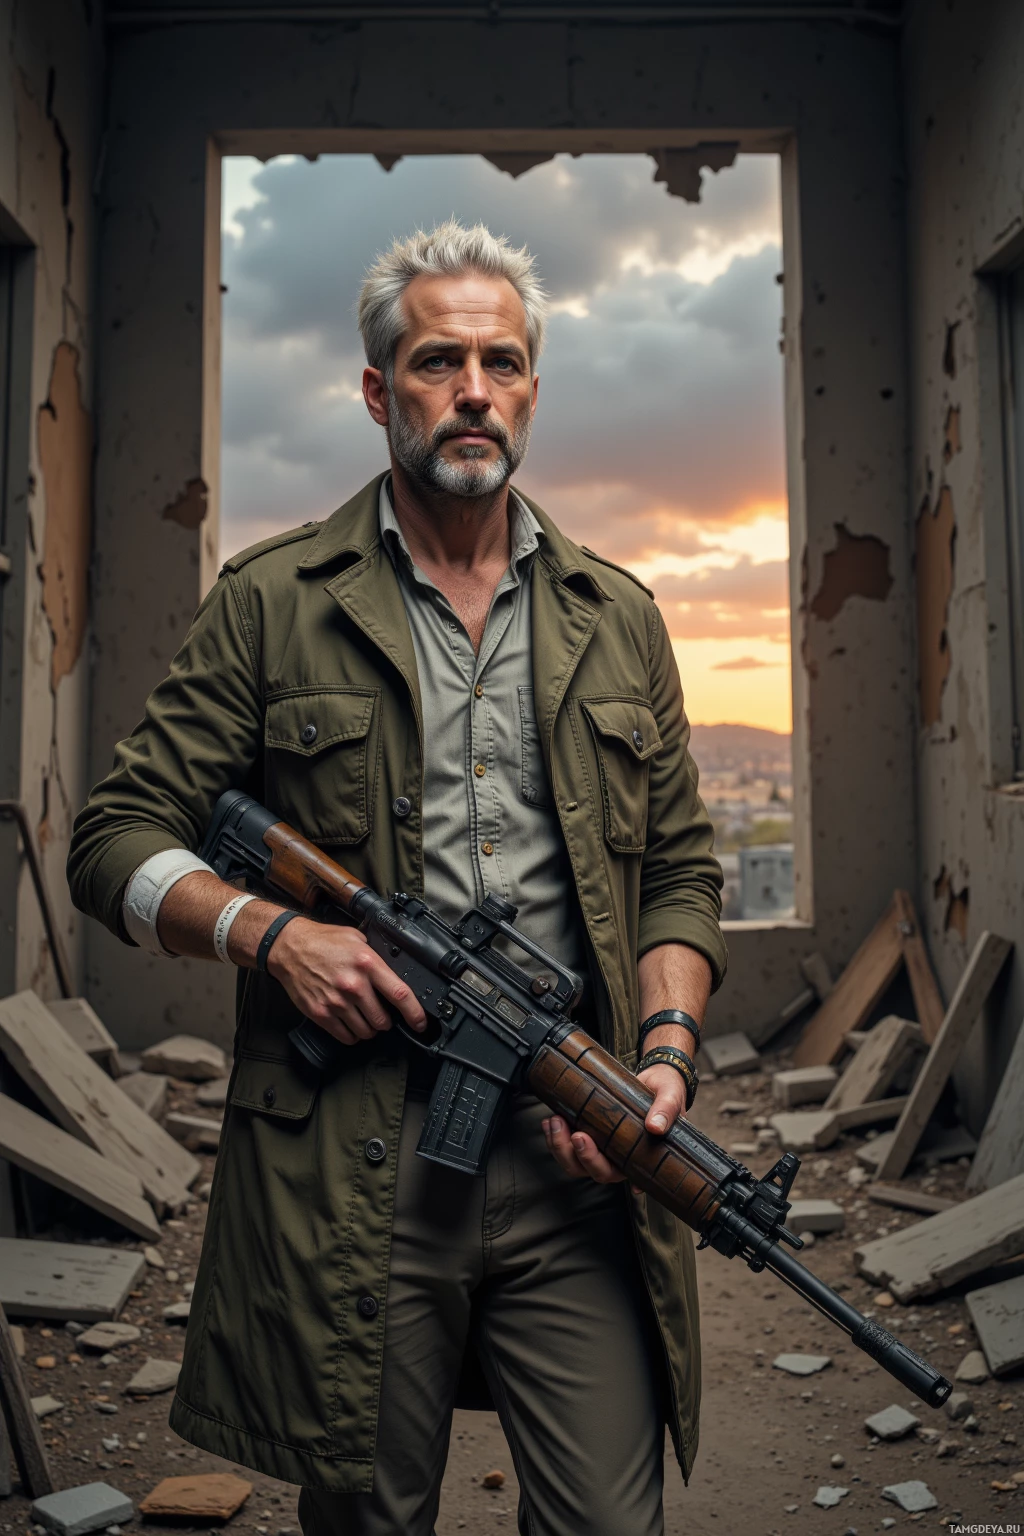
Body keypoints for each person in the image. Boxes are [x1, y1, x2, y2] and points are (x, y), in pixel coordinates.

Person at [68, 219, 727, 1536]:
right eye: (438, 362)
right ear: (380, 392)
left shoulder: (619, 617)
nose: (473, 391)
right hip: (350, 1171)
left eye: (502, 363)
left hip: (572, 1155)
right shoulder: (272, 601)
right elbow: (115, 839)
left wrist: (662, 1051)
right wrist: (270, 935)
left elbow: (678, 871)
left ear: (532, 388)